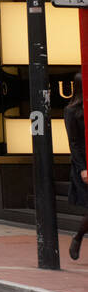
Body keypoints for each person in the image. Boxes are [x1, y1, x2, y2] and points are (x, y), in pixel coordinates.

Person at [66, 73, 87, 260]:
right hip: (83, 164)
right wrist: (82, 168)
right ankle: (78, 237)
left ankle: (78, 237)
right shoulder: (71, 111)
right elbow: (74, 143)